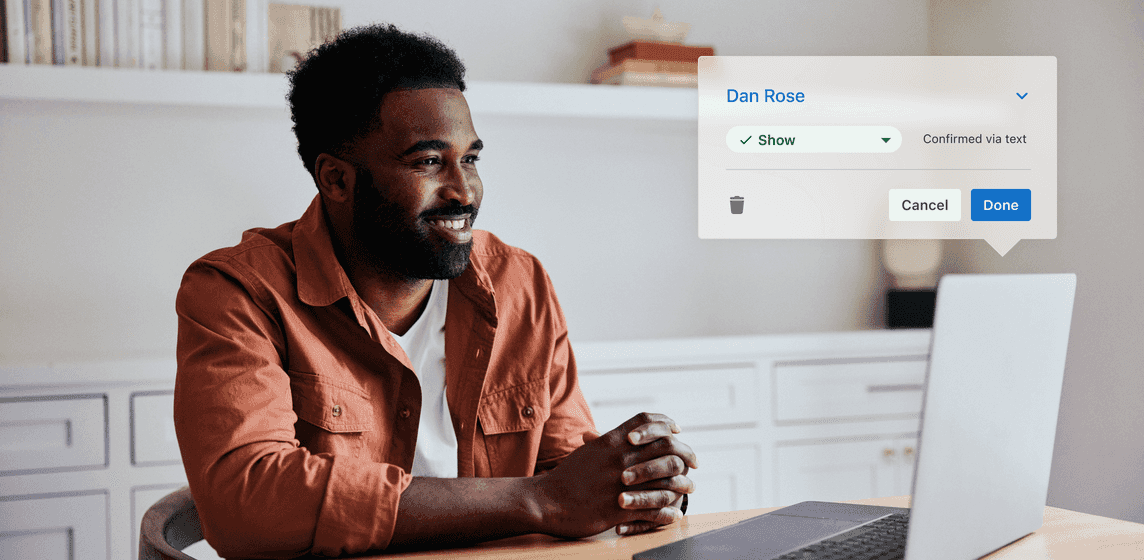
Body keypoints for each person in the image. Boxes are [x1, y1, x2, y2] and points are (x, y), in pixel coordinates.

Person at [173, 23, 697, 559]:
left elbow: (563, 478)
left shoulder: (520, 284)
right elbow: (246, 500)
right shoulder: (238, 291)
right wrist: (538, 501)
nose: (464, 191)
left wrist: (630, 486)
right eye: (427, 162)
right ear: (335, 180)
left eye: (469, 159)